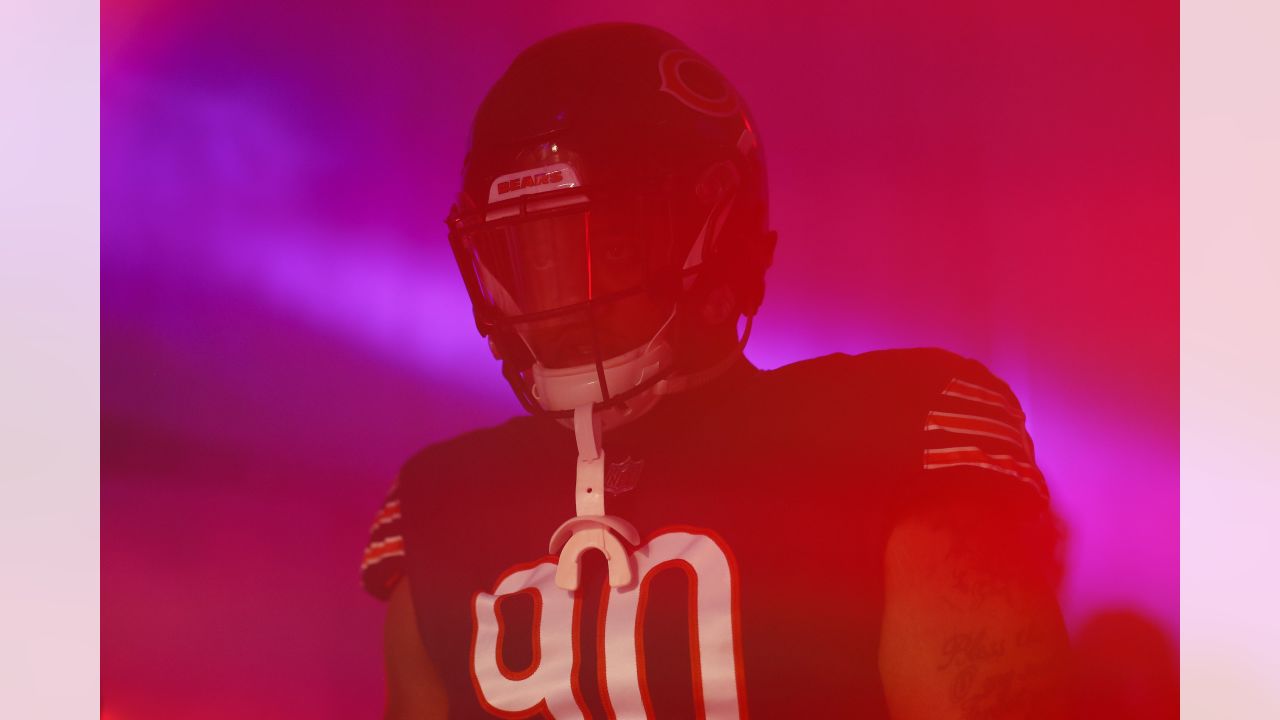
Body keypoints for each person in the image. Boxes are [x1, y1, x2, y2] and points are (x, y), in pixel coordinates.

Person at [362, 23, 1071, 719]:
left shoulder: (895, 434)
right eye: (531, 258)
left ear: (719, 235)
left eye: (606, 250)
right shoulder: (442, 506)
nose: (560, 306)